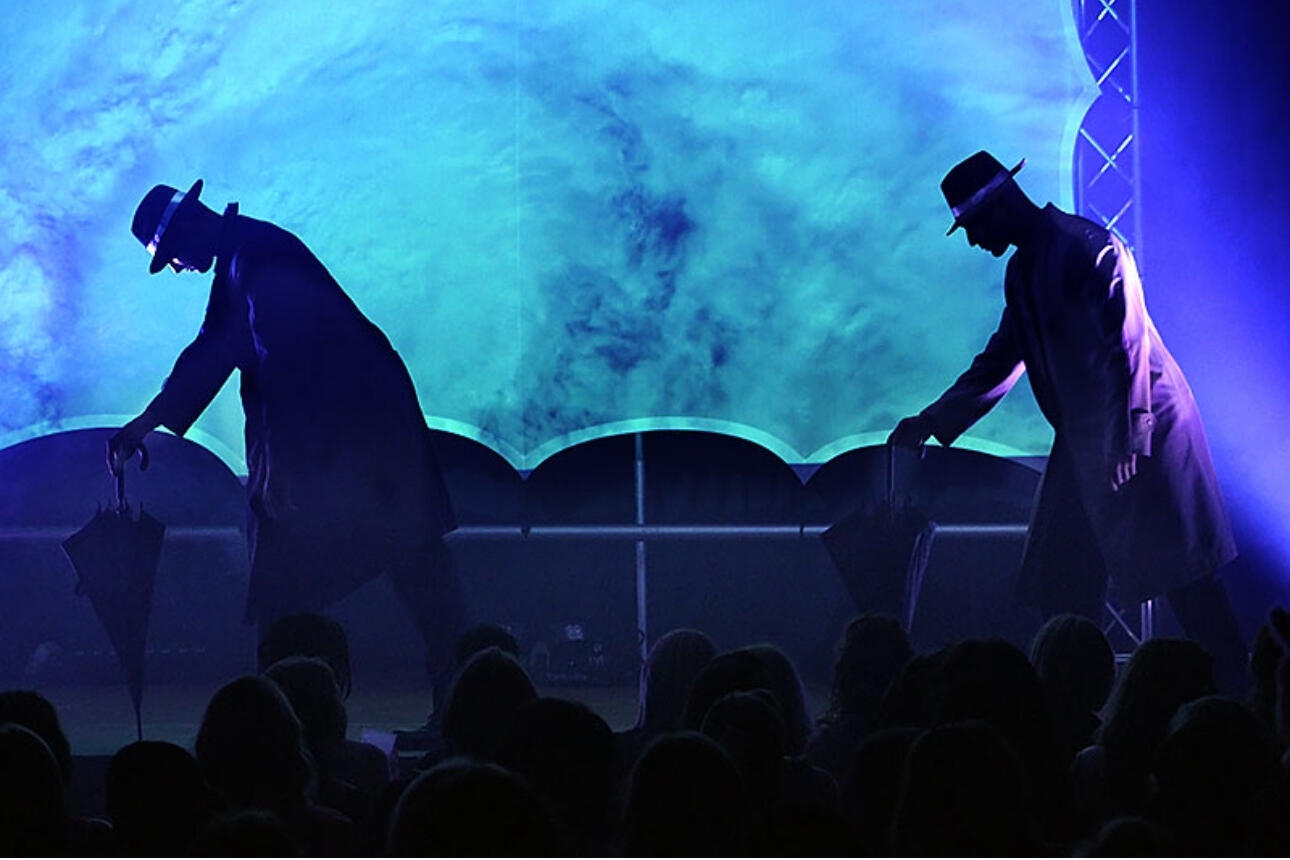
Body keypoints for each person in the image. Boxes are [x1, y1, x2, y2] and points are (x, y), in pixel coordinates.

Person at [887, 151, 1245, 694]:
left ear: (999, 205)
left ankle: (1246, 699)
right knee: (1064, 575)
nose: (973, 240)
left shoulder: (1089, 247)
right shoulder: (1023, 271)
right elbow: (1001, 360)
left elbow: (1127, 346)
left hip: (1146, 430)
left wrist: (1128, 437)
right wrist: (931, 421)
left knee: (1187, 577)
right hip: (1091, 438)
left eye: (973, 225)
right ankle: (1068, 705)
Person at [107, 180, 465, 697]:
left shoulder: (255, 260)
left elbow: (285, 361)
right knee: (406, 561)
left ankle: (290, 708)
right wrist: (147, 420)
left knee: (383, 565)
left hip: (358, 436)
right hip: (351, 436)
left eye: (172, 258)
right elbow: (214, 348)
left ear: (188, 229)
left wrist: (279, 461)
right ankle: (440, 700)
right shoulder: (245, 257)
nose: (178, 269)